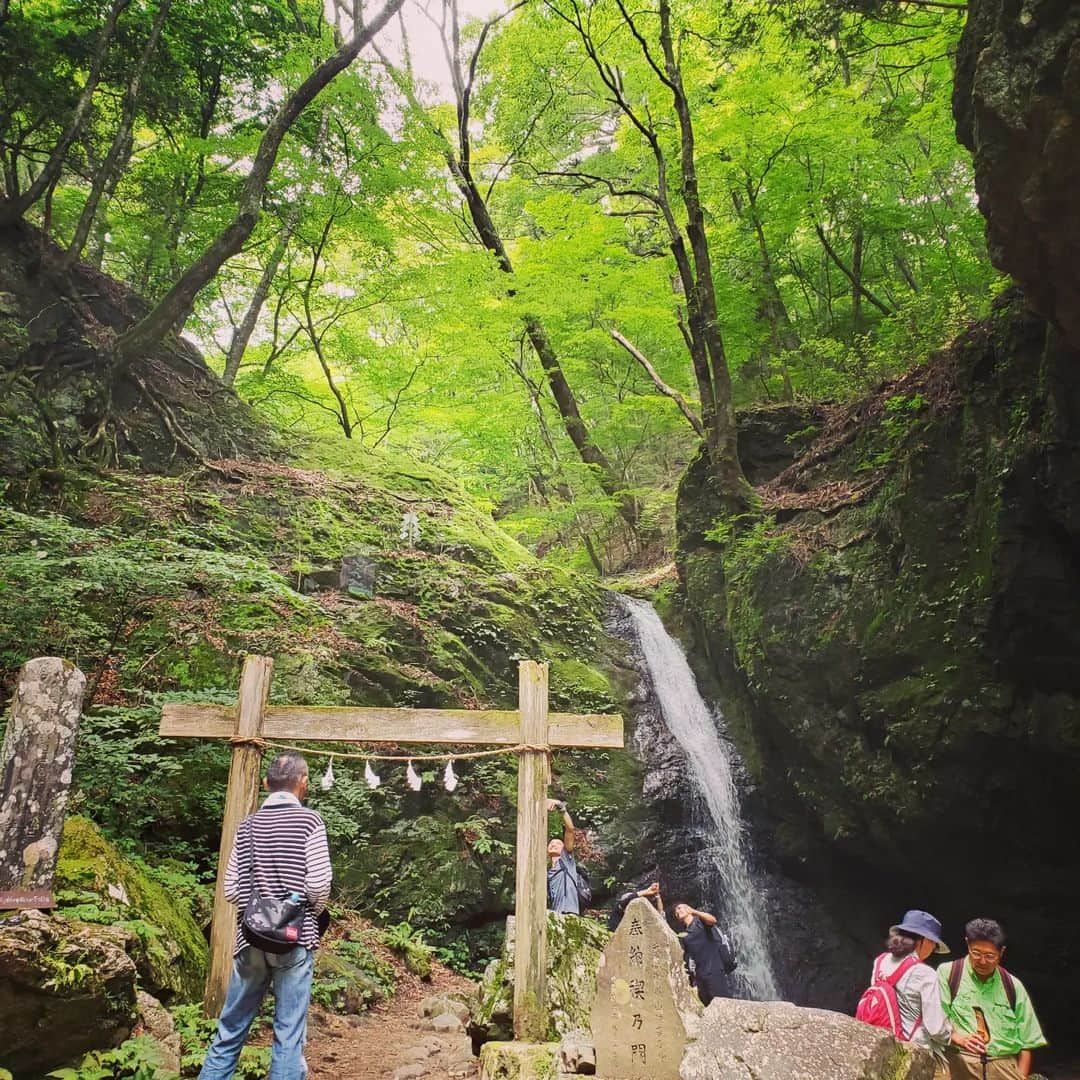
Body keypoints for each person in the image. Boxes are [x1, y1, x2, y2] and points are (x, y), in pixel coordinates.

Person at [199, 752, 332, 1080]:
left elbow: (230, 888)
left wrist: (257, 911)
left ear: (264, 784)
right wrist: (306, 914)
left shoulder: (247, 825)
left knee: (230, 1029)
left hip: (251, 939)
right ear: (303, 783)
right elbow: (318, 883)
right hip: (295, 940)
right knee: (288, 1035)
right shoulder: (310, 821)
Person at [938, 918, 1047, 1079]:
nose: (982, 961)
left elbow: (1027, 1043)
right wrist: (958, 1037)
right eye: (976, 953)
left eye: (990, 956)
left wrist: (1021, 1076)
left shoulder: (1013, 985)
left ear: (1001, 952)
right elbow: (936, 1020)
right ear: (967, 944)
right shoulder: (948, 973)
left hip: (1003, 1066)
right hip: (958, 1063)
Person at [862, 910, 954, 1073]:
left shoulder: (880, 962)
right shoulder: (925, 974)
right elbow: (936, 1029)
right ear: (923, 940)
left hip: (879, 1044)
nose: (932, 949)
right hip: (913, 1053)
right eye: (933, 944)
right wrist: (953, 1034)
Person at [673, 902, 736, 1006]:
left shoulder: (699, 921)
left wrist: (694, 911)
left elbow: (712, 920)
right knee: (709, 1006)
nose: (677, 911)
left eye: (680, 908)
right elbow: (688, 958)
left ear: (688, 908)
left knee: (724, 1005)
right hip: (700, 976)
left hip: (714, 970)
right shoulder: (684, 934)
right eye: (676, 912)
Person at [546, 799, 585, 914]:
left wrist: (561, 809)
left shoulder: (566, 860)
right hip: (555, 913)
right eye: (551, 843)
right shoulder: (547, 871)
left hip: (569, 912)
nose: (554, 844)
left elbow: (570, 830)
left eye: (558, 844)